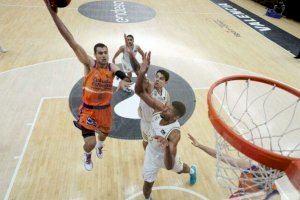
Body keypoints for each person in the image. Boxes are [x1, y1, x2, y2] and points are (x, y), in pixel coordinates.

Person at [44, 0, 131, 171]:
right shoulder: (89, 64)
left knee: (104, 135)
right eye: (100, 53)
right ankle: (87, 154)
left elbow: (118, 71)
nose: (104, 56)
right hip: (89, 111)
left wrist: (122, 78)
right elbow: (71, 40)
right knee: (90, 142)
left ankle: (100, 145)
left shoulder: (111, 67)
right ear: (95, 55)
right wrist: (52, 14)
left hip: (105, 110)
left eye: (106, 52)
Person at [135, 52, 197, 200]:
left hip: (165, 156)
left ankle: (192, 170)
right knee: (148, 183)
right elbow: (139, 91)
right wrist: (142, 72)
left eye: (169, 109)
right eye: (167, 106)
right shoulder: (160, 109)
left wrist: (167, 148)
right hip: (151, 153)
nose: (165, 108)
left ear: (175, 118)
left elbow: (168, 166)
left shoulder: (174, 134)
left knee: (180, 169)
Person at [188, 133, 280, 198]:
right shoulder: (249, 168)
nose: (261, 164)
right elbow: (220, 156)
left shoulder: (273, 195)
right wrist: (199, 145)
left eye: (267, 166)